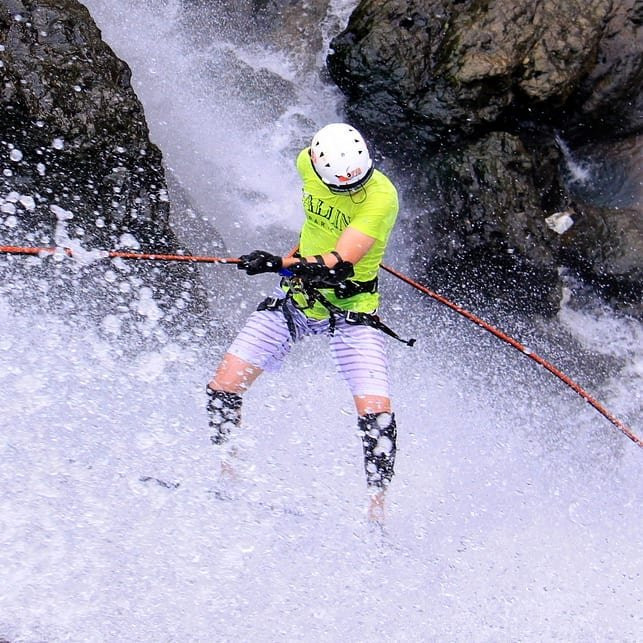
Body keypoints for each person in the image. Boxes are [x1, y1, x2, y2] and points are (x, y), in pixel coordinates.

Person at [206, 122, 402, 523]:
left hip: (352, 310)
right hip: (296, 302)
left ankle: (376, 513)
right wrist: (289, 258)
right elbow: (317, 228)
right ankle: (228, 476)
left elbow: (337, 267)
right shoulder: (306, 165)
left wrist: (278, 263)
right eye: (342, 187)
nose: (352, 190)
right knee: (222, 388)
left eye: (356, 183)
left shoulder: (381, 197)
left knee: (377, 414)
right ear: (315, 161)